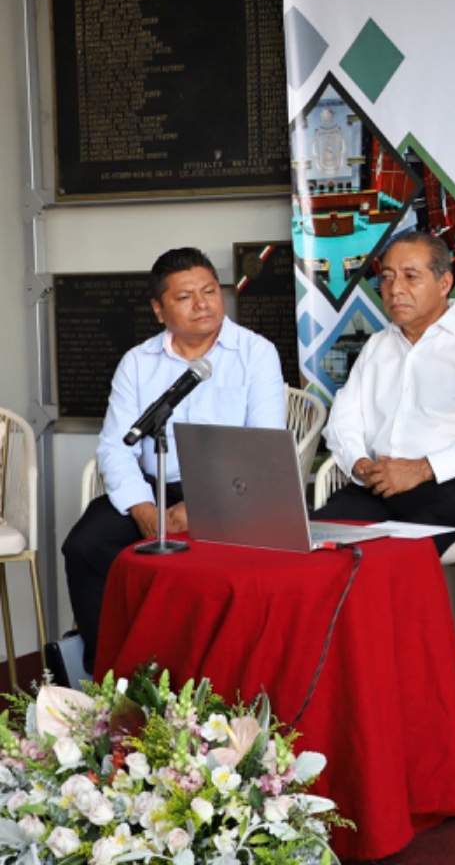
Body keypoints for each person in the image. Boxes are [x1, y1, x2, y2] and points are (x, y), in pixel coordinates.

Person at [63, 248, 286, 673]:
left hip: (233, 490)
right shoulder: (138, 362)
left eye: (210, 291)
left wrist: (203, 506)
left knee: (212, 565)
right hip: (153, 486)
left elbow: (261, 447)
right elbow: (116, 446)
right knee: (85, 546)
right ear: (158, 309)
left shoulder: (256, 353)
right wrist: (145, 510)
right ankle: (109, 675)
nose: (203, 304)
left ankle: (201, 673)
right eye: (185, 297)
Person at [314, 231, 455, 555]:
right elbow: (344, 417)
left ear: (444, 284)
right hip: (376, 486)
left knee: (392, 558)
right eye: (387, 278)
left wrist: (422, 469)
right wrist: (359, 464)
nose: (395, 289)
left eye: (411, 277)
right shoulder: (377, 345)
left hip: (449, 488)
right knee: (311, 544)